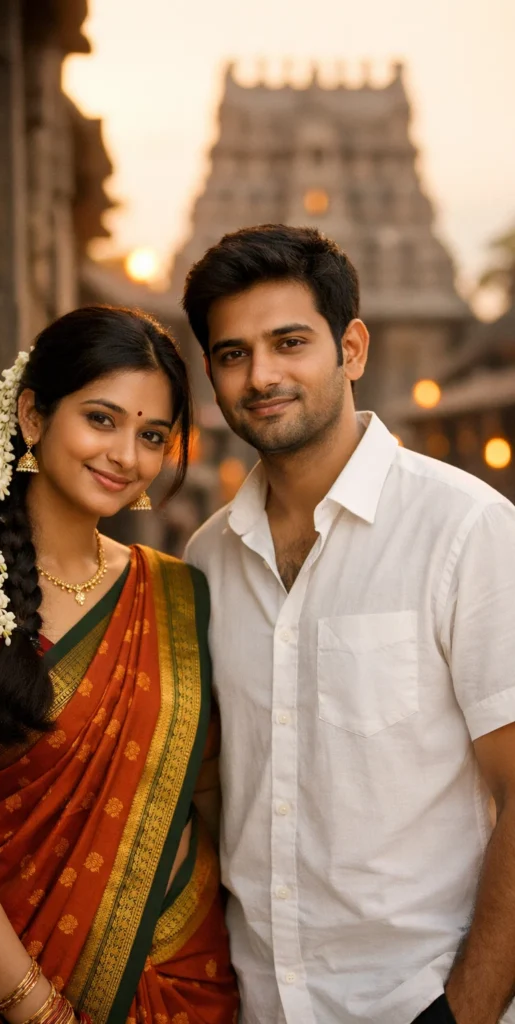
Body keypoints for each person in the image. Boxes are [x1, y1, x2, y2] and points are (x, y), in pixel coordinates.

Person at [182, 225, 515, 1024]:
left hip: (421, 999)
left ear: (352, 348)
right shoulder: (203, 561)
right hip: (255, 1002)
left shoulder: (465, 529)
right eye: (232, 354)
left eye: (289, 342)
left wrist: (463, 1010)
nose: (261, 375)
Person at [0, 306, 239, 1024]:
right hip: (2, 994)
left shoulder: (176, 591)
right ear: (33, 416)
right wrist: (42, 1013)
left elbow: (210, 798)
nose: (125, 455)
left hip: (186, 975)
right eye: (100, 419)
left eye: (151, 435)